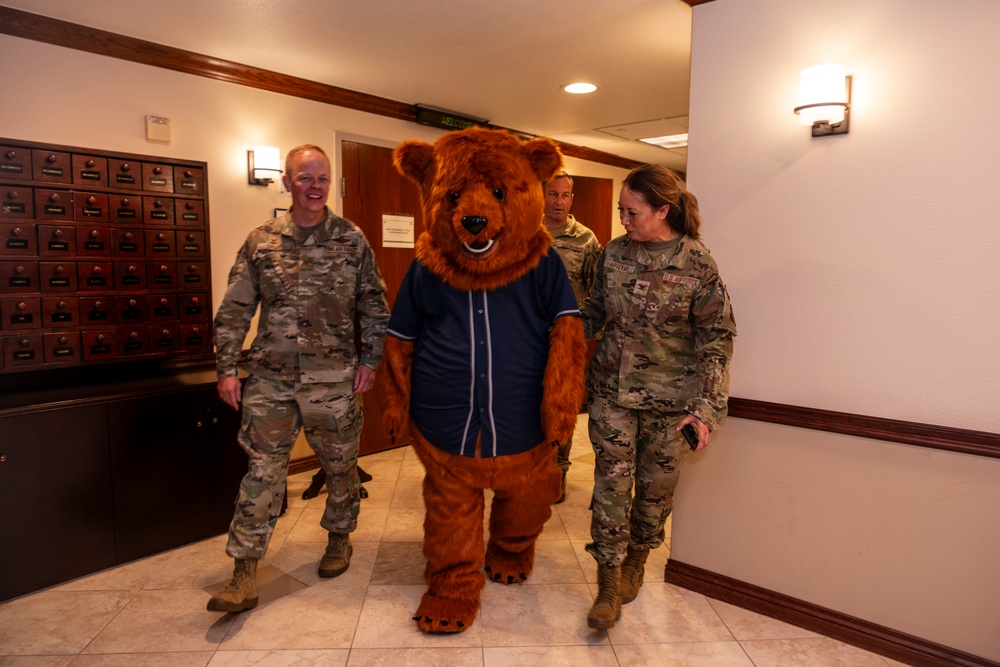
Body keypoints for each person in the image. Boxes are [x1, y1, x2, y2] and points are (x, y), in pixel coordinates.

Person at [207, 144, 391, 613]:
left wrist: (370, 359)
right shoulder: (261, 240)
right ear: (287, 183)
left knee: (340, 468)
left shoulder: (351, 239)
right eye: (305, 178)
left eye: (323, 178)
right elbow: (235, 308)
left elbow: (373, 303)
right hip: (271, 380)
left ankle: (338, 539)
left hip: (334, 381)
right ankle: (243, 572)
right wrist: (228, 367)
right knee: (262, 472)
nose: (315, 186)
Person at [581, 164, 736, 629]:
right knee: (610, 485)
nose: (623, 219)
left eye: (631, 211)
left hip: (672, 404)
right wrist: (546, 335)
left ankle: (635, 563)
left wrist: (706, 408)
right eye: (620, 211)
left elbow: (718, 338)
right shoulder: (612, 254)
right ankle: (608, 581)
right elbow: (591, 314)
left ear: (662, 210)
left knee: (653, 491)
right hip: (611, 394)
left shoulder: (697, 264)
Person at [541, 171, 603, 503]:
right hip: (526, 341)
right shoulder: (525, 233)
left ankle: (558, 472)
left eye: (565, 196)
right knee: (527, 407)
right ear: (543, 196)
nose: (559, 202)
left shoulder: (586, 240)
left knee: (561, 407)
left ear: (572, 199)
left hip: (566, 342)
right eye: (553, 195)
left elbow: (598, 292)